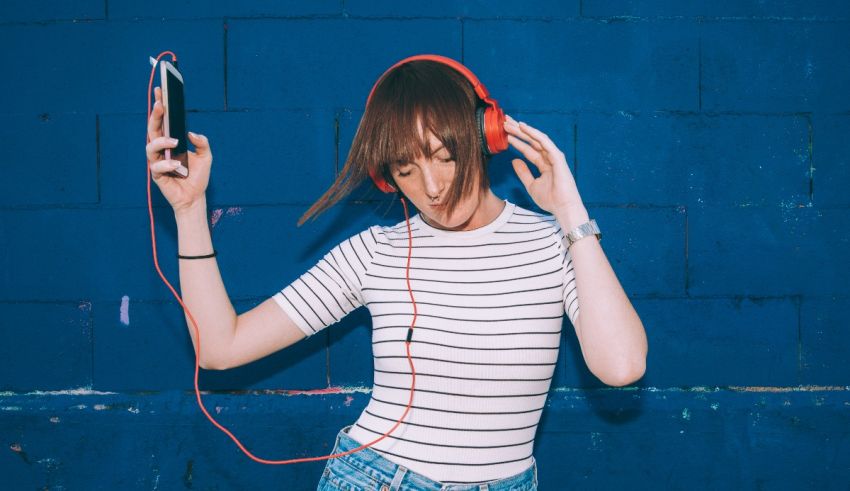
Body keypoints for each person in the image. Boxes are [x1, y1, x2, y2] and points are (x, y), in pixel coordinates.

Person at [146, 56, 647, 490]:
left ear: (485, 136)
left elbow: (622, 367)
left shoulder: (557, 242)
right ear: (387, 179)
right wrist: (189, 211)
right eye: (406, 169)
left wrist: (571, 213)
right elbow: (221, 347)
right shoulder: (375, 252)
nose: (432, 187)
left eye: (446, 156)